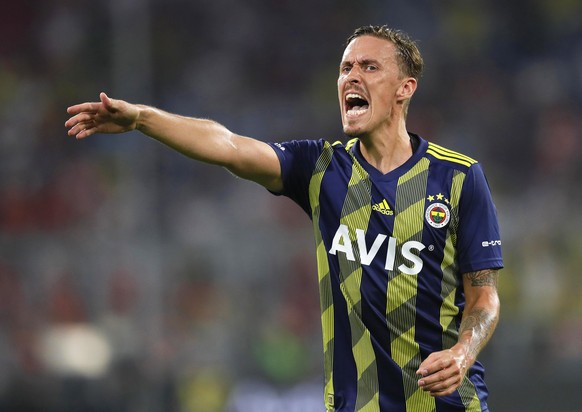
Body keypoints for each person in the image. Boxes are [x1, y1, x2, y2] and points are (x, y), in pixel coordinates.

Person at [65, 25, 502, 412]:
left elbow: (483, 298)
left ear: (405, 88)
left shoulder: (459, 178)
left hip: (447, 405)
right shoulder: (322, 169)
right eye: (345, 67)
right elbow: (229, 145)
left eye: (369, 67)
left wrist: (462, 353)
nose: (351, 76)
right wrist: (143, 118)